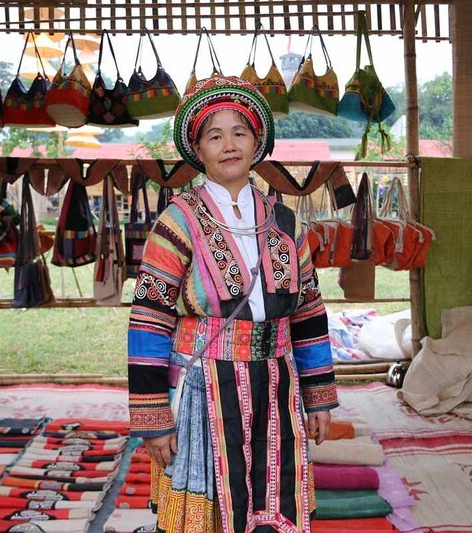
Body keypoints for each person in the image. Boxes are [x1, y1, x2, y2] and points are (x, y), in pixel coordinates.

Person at [127, 75, 339, 533]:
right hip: (205, 387)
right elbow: (148, 321)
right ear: (198, 150)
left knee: (274, 500)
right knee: (214, 511)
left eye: (239, 132)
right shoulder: (177, 221)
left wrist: (317, 398)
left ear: (257, 142)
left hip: (277, 384)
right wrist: (153, 416)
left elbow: (308, 312)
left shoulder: (286, 224)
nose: (228, 145)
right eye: (214, 135)